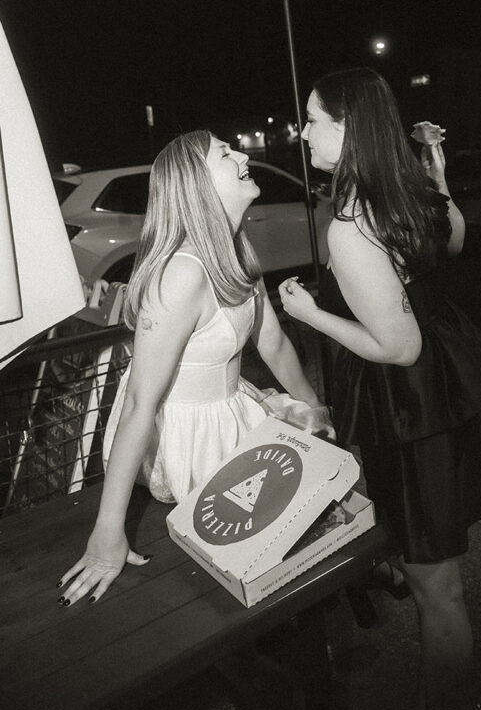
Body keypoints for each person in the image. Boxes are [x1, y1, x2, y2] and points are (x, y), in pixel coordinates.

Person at [279, 69, 481, 710]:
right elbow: (456, 238)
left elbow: (398, 346)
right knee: (429, 562)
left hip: (409, 406)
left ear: (349, 127)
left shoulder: (351, 223)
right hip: (441, 394)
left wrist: (310, 315)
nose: (302, 132)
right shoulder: (403, 190)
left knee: (438, 588)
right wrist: (437, 172)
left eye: (313, 119)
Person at [58, 130, 333, 607]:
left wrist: (315, 410)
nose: (244, 154)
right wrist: (108, 534)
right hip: (191, 440)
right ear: (197, 184)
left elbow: (274, 344)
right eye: (226, 153)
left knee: (297, 537)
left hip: (237, 412)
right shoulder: (180, 275)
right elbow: (141, 403)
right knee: (243, 565)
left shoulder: (238, 248)